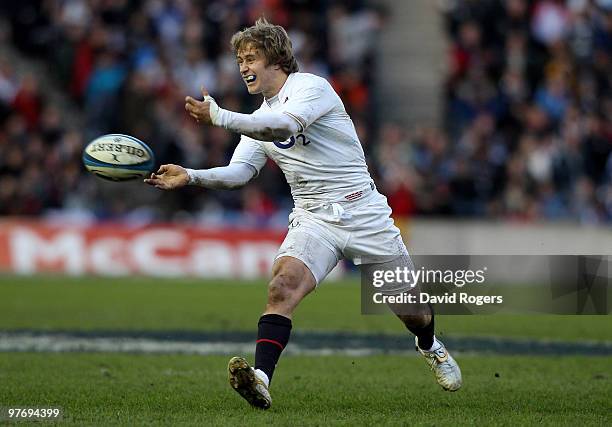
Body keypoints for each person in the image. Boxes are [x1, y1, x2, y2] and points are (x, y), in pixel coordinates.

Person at [144, 18, 461, 409]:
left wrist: (221, 117)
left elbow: (283, 127)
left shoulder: (311, 88)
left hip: (363, 212)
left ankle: (430, 344)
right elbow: (239, 173)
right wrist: (191, 175)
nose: (243, 67)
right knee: (282, 287)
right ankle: (260, 379)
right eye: (239, 60)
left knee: (411, 312)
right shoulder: (257, 118)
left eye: (251, 58)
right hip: (313, 218)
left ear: (275, 58)